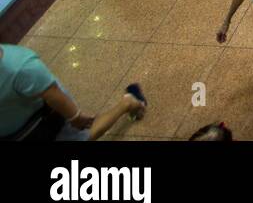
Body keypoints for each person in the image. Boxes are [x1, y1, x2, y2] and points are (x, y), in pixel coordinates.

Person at [0, 44, 145, 141]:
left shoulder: (21, 67)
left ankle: (128, 102)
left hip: (39, 118)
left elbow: (53, 95)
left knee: (81, 136)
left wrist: (75, 117)